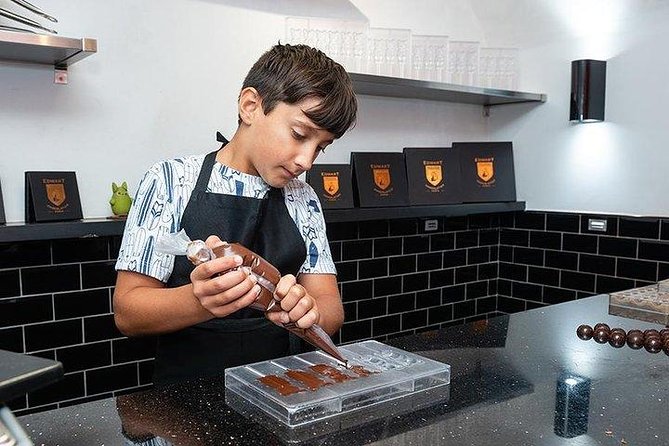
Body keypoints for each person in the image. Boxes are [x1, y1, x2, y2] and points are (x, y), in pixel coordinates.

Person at [113, 43, 358, 385]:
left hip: (283, 392)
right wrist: (200, 300)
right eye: (299, 134)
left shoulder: (304, 198)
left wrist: (309, 313)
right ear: (250, 106)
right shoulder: (170, 181)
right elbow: (128, 312)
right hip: (185, 403)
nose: (306, 161)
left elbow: (331, 308)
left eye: (320, 146)